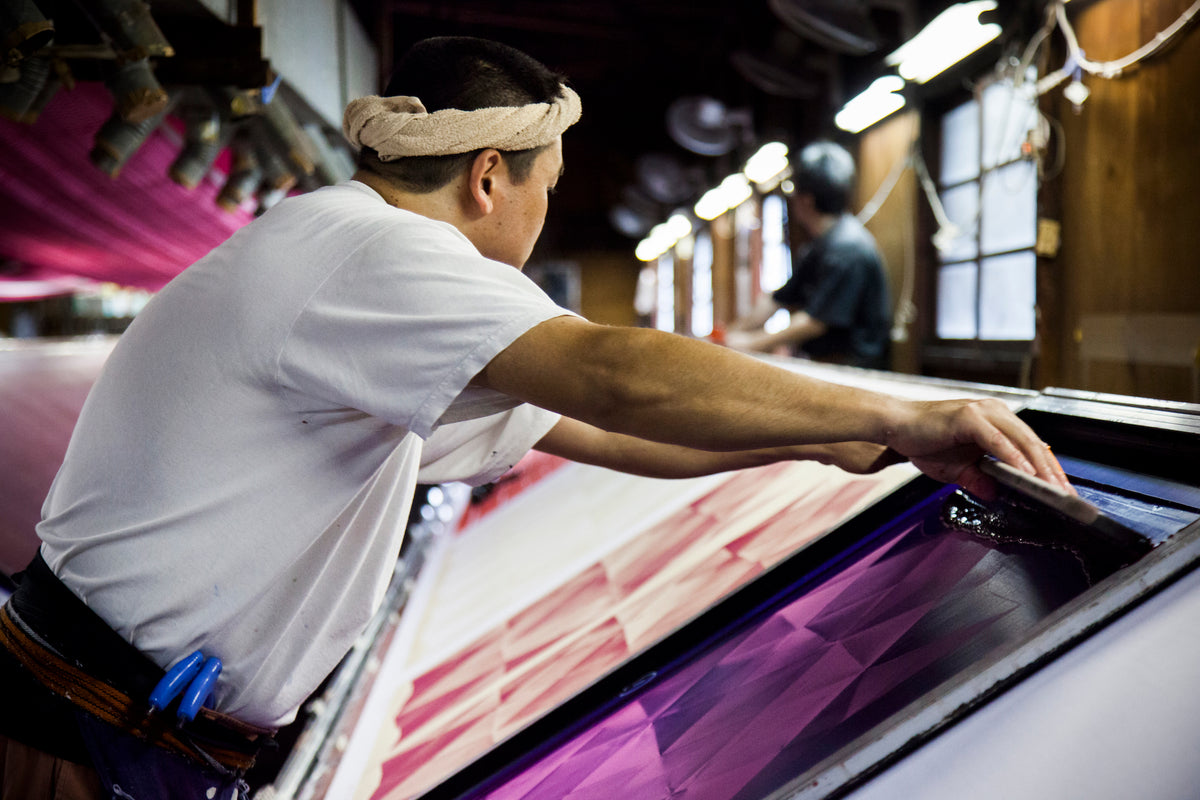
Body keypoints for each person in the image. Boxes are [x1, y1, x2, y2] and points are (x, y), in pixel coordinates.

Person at [0, 36, 1071, 799]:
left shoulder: (351, 277)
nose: (543, 209)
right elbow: (608, 372)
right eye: (546, 187)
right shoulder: (376, 255)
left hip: (131, 732)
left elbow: (595, 429)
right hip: (81, 737)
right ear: (487, 179)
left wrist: (827, 437)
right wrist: (906, 408)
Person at [724, 140, 891, 369]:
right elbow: (777, 299)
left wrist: (751, 343)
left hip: (855, 371)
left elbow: (815, 321)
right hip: (829, 367)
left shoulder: (848, 248)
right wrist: (730, 335)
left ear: (806, 199)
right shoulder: (819, 246)